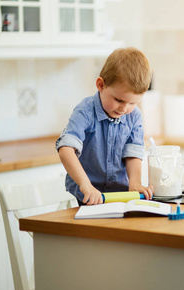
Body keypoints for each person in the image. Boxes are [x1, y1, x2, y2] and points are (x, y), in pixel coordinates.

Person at [56, 47, 153, 205]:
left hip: (121, 197)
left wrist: (134, 183)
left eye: (133, 103)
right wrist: (85, 184)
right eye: (119, 100)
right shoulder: (85, 111)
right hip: (87, 197)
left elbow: (133, 152)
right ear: (101, 85)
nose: (124, 108)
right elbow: (65, 150)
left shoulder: (134, 116)